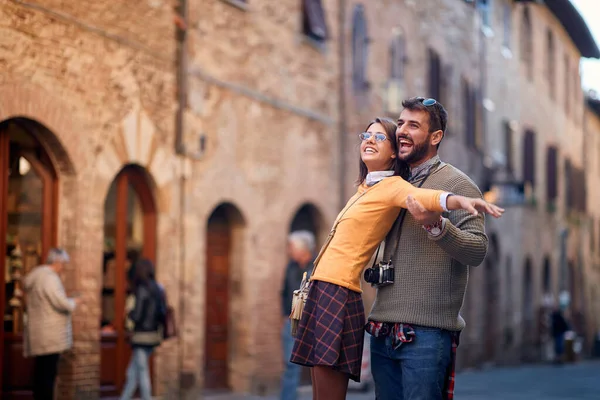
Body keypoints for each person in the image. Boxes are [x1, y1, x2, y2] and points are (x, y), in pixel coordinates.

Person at [290, 116, 504, 400]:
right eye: (366, 135)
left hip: (339, 292)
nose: (369, 140)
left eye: (379, 137)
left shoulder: (394, 186)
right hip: (325, 291)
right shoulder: (365, 189)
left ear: (394, 151)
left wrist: (460, 201)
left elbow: (427, 198)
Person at [367, 97, 492, 400]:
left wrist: (437, 226)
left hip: (426, 335)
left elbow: (477, 251)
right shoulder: (391, 183)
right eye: (400, 123)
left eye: (414, 125)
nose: (402, 131)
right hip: (382, 329)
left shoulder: (458, 185)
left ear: (436, 137)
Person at [23, 247, 80, 400]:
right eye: (63, 264)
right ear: (57, 261)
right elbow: (62, 304)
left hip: (40, 334)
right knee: (48, 374)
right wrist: (73, 301)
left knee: (41, 373)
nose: (63, 268)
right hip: (50, 336)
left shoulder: (37, 276)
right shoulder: (50, 278)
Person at [120, 258, 165, 400]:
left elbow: (137, 315)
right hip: (153, 335)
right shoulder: (158, 288)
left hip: (141, 336)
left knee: (142, 371)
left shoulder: (141, 289)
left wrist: (128, 313)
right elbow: (162, 313)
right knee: (132, 372)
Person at [280, 231, 316, 400]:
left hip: (312, 323)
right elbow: (285, 292)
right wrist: (284, 315)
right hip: (291, 323)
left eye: (291, 247)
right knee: (290, 364)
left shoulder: (317, 267)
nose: (289, 251)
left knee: (318, 365)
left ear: (303, 249)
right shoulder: (291, 266)